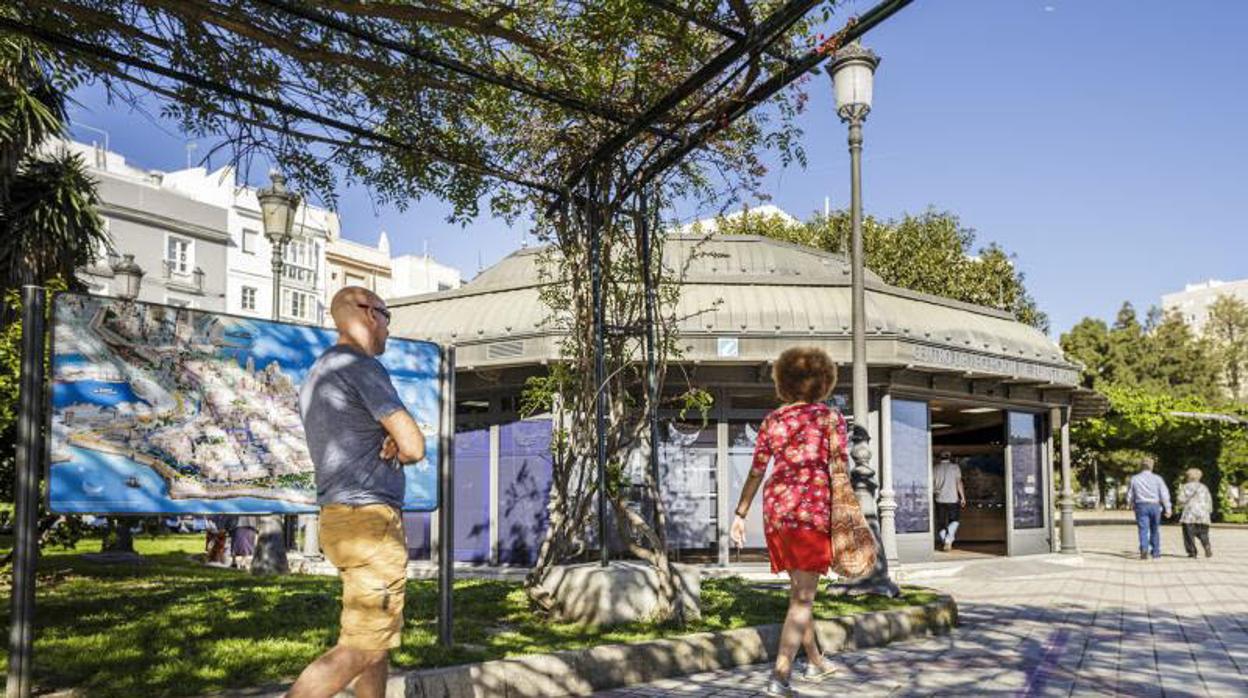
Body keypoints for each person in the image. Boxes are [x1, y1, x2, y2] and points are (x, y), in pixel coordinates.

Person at [288, 287, 426, 698]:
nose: (387, 327)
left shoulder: (321, 370)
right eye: (386, 316)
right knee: (363, 646)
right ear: (367, 313)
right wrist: (398, 440)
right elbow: (415, 445)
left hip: (339, 517)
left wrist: (388, 439)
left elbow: (368, 435)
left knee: (376, 644)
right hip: (370, 522)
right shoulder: (361, 365)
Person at [730, 347, 842, 697]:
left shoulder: (773, 420)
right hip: (811, 513)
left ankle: (816, 662)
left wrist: (740, 513)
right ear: (823, 381)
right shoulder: (829, 418)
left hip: (777, 513)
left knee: (799, 592)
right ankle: (780, 677)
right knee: (803, 599)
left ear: (784, 381)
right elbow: (839, 469)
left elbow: (756, 471)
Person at [1125, 456, 1171, 560]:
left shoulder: (1135, 478)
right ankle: (1156, 552)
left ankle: (1144, 549)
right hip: (1155, 506)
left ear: (1141, 466)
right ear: (1152, 467)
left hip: (1141, 506)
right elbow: (1164, 494)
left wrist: (1129, 503)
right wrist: (1168, 508)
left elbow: (1130, 494)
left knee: (1143, 529)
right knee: (1155, 529)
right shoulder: (1158, 479)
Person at [932, 451, 966, 552]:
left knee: (941, 522)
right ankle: (948, 540)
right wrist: (963, 497)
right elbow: (958, 483)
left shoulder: (935, 468)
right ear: (949, 457)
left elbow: (931, 484)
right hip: (953, 498)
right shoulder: (955, 467)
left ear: (940, 458)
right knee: (954, 520)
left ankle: (945, 540)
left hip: (939, 499)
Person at [1177, 468, 1213, 558]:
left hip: (1189, 515)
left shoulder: (1185, 487)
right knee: (1203, 533)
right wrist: (1209, 511)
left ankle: (1192, 552)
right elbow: (1209, 500)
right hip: (1203, 515)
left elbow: (1180, 500)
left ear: (1188, 477)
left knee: (1188, 534)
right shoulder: (1204, 487)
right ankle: (1206, 545)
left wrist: (1180, 504)